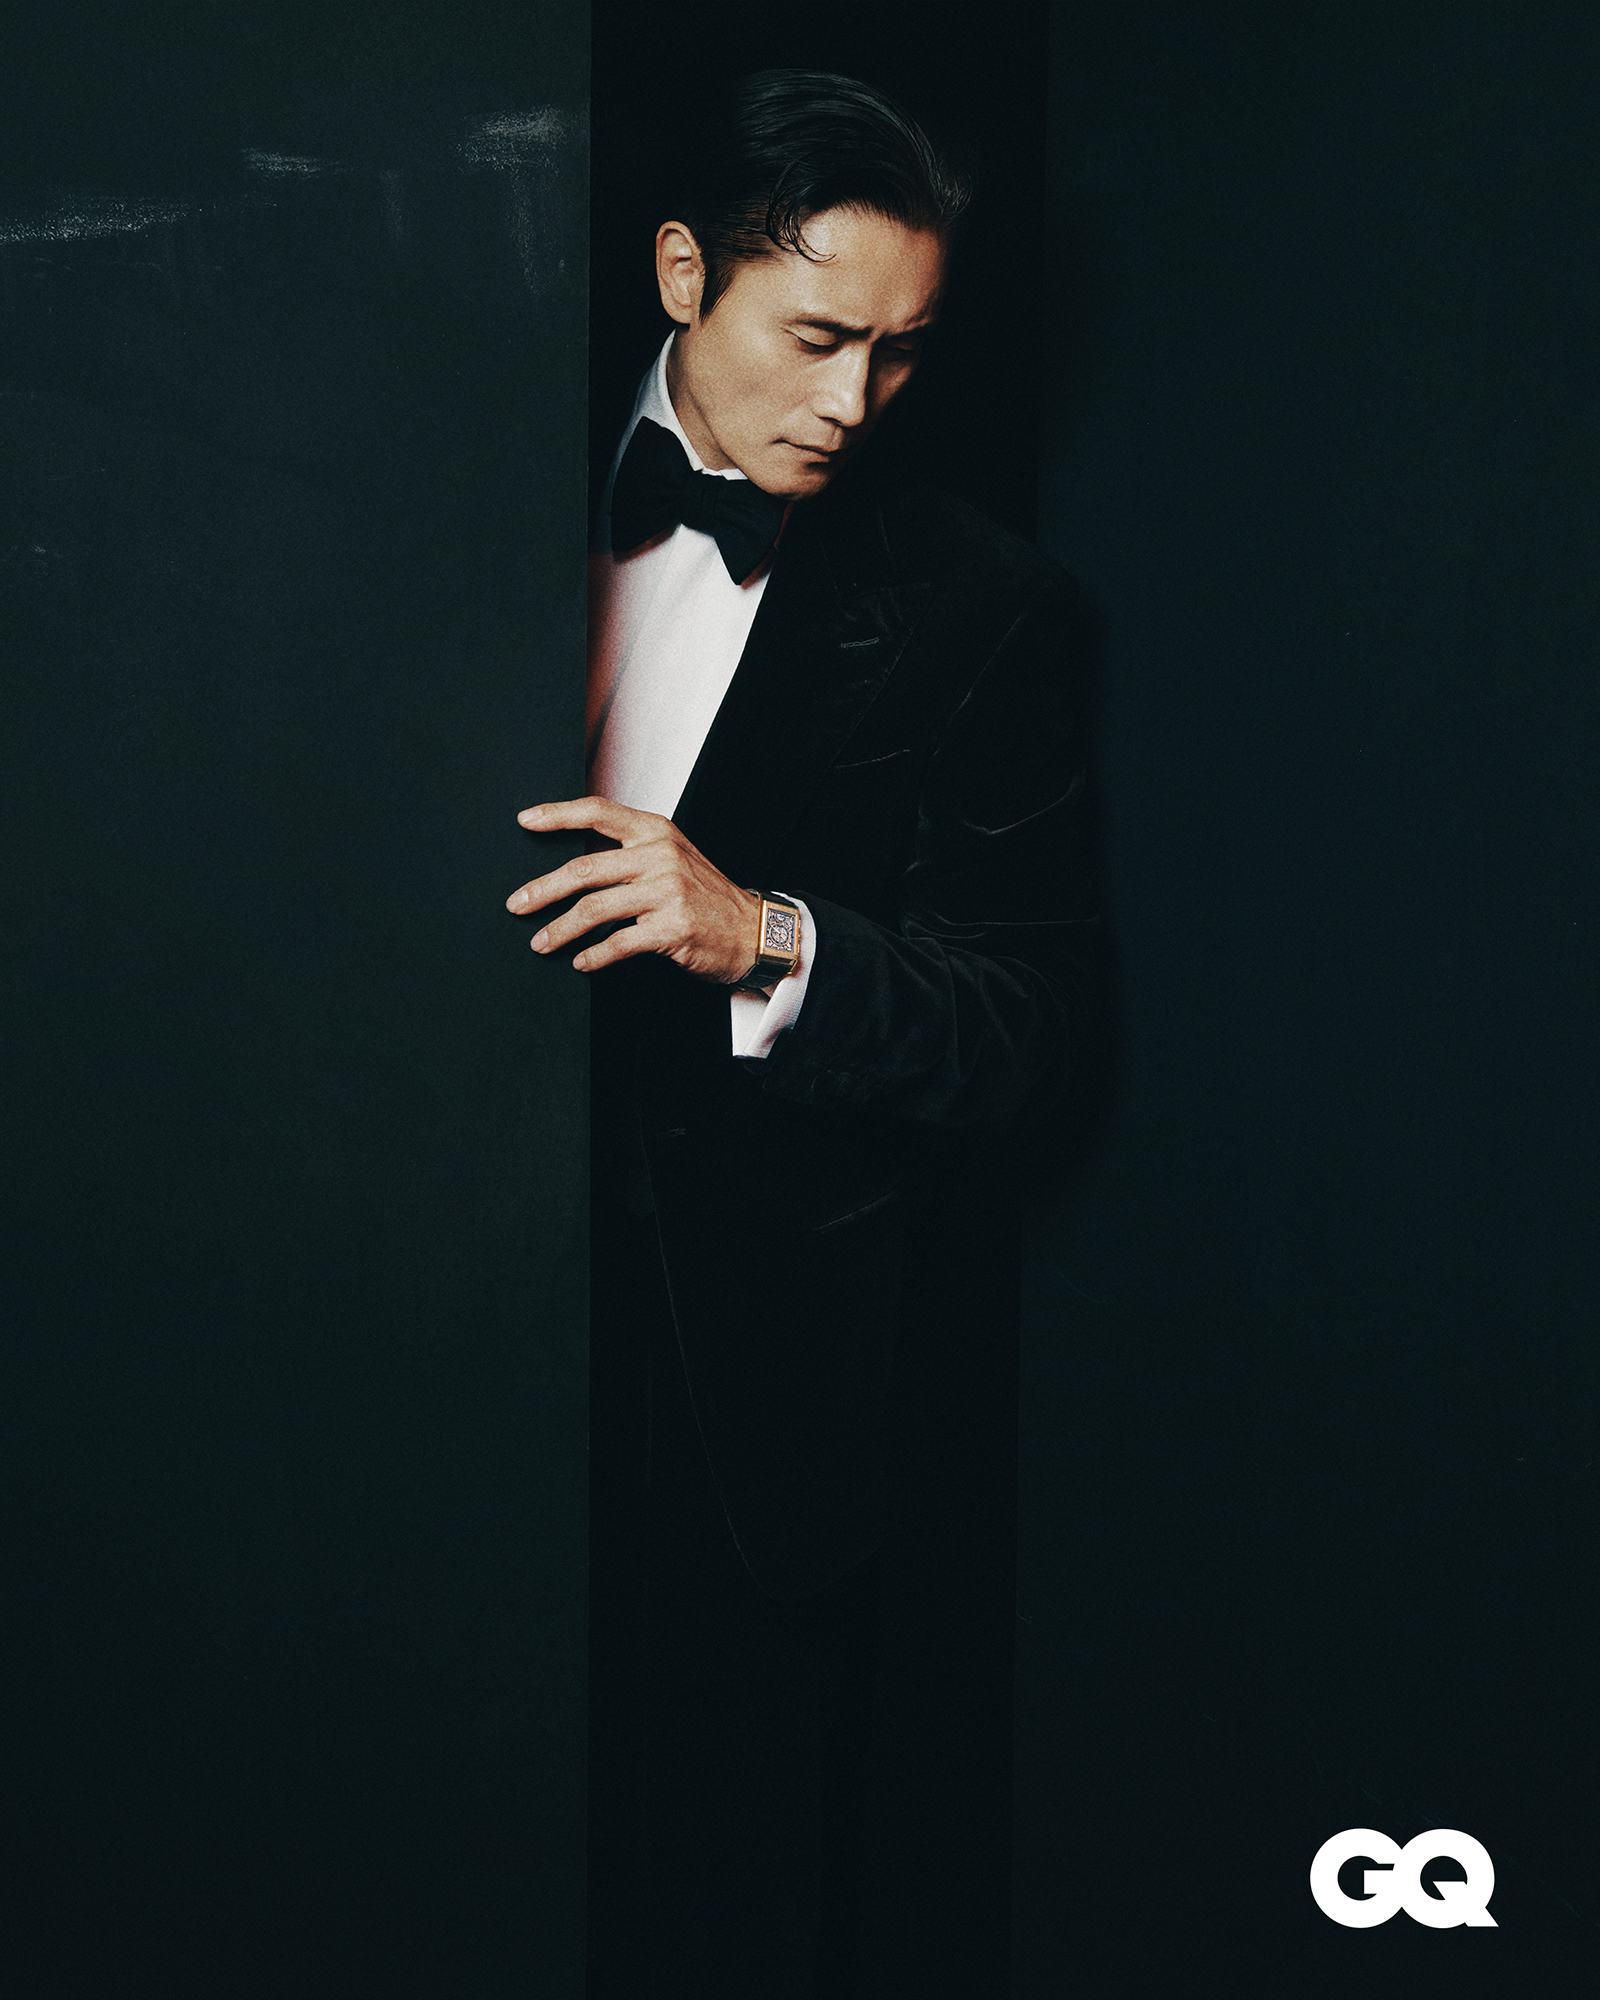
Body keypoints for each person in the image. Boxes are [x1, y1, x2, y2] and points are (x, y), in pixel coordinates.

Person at [504, 69, 1099, 1998]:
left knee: (722, 1894)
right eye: (820, 336)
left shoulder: (984, 607)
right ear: (685, 273)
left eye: (902, 353)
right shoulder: (456, 462)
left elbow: (1035, 1028)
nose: (855, 401)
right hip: (402, 1323)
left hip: (742, 1398)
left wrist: (763, 935)